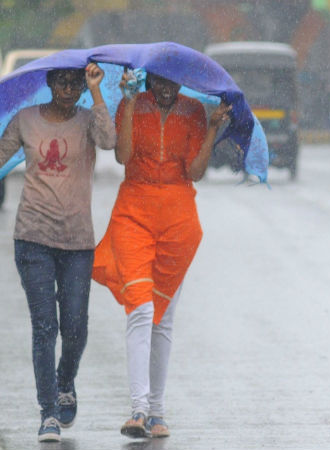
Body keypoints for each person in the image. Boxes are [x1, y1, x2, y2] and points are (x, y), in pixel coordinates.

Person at [0, 63, 116, 442]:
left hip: (77, 241)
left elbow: (110, 141)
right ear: (49, 83)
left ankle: (65, 379)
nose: (68, 88)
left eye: (76, 83)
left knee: (75, 326)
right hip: (33, 237)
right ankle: (48, 412)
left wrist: (97, 91)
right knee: (44, 327)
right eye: (62, 81)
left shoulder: (87, 119)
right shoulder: (25, 119)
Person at [92, 70, 231, 439]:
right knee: (139, 308)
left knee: (162, 318)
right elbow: (123, 156)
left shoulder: (194, 111)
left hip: (177, 217)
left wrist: (214, 128)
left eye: (173, 81)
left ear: (180, 82)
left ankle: (157, 411)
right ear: (149, 80)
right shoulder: (131, 103)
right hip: (133, 211)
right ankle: (138, 409)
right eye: (159, 81)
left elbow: (195, 172)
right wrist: (133, 101)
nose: (166, 88)